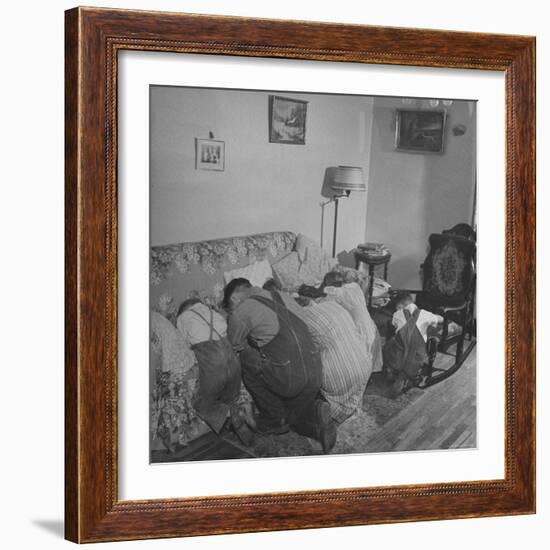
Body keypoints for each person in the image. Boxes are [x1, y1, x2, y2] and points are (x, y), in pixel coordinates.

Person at [223, 278, 337, 453]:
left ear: (234, 298)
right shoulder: (283, 296)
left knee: (245, 358)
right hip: (315, 370)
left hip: (289, 376)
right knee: (294, 417)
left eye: (229, 309)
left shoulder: (242, 310)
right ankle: (314, 418)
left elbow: (234, 345)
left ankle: (273, 418)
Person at [176, 298, 254, 445]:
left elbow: (183, 347)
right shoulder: (214, 313)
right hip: (233, 362)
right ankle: (241, 409)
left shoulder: (183, 318)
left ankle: (232, 413)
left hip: (213, 366)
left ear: (184, 309)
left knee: (201, 403)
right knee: (230, 396)